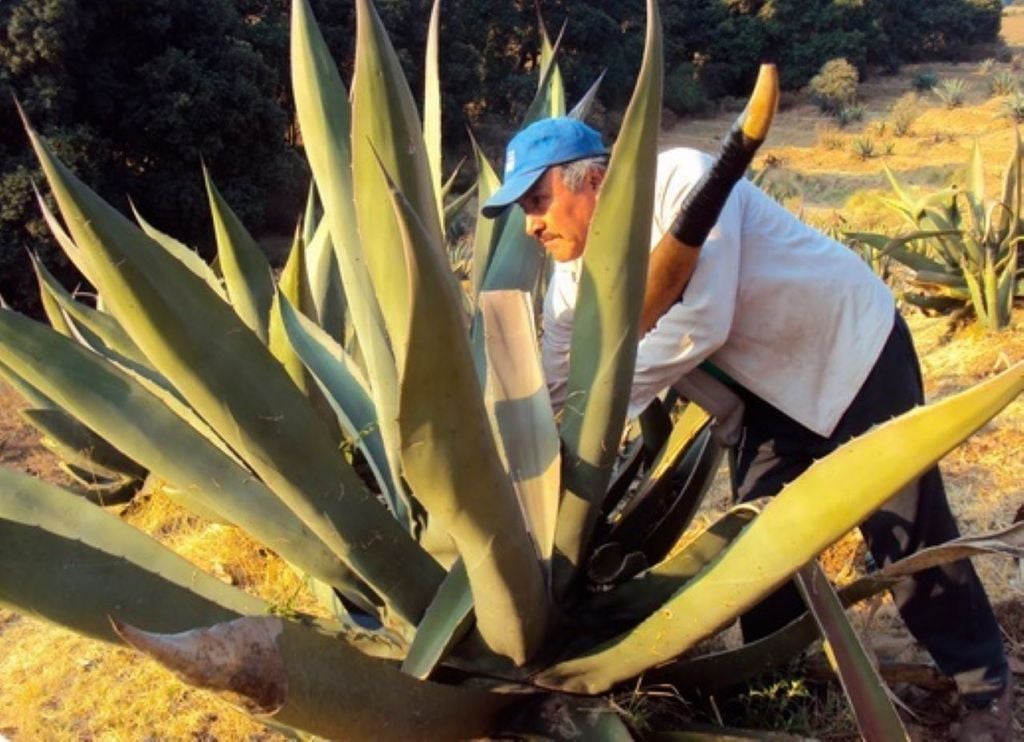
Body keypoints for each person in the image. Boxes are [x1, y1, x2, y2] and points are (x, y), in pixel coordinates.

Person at [481, 116, 1013, 740]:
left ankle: (985, 690)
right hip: (767, 400)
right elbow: (550, 381)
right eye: (523, 210)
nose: (532, 224)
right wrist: (516, 451)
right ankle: (775, 686)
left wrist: (600, 414)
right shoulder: (571, 280)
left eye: (539, 201)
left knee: (905, 529)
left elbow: (700, 324)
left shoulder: (683, 179)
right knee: (759, 545)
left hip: (849, 351)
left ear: (593, 180)